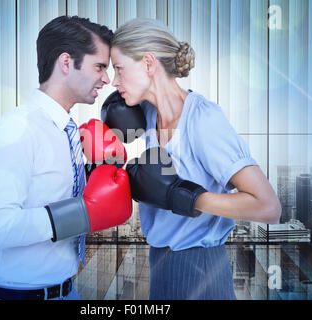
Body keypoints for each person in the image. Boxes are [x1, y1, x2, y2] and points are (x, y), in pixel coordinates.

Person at [104, 18, 282, 300]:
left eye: (119, 69)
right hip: (161, 264)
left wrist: (186, 197)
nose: (114, 81)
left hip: (200, 268)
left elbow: (269, 207)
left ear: (148, 63)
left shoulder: (203, 120)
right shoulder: (149, 116)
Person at [0, 16, 133, 300]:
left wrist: (99, 171)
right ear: (66, 63)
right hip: (10, 295)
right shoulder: (17, 128)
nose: (106, 79)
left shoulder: (69, 133)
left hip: (66, 290)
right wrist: (83, 213)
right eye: (99, 67)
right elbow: (0, 227)